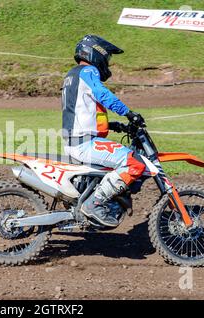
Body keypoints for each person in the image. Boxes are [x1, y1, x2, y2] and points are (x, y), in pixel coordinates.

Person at [61, 34, 146, 227]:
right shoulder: (88, 71)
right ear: (95, 53)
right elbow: (102, 95)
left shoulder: (73, 74)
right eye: (107, 57)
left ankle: (101, 199)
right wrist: (129, 113)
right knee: (134, 164)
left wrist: (114, 125)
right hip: (83, 143)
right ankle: (94, 203)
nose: (107, 62)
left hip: (76, 140)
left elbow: (83, 108)